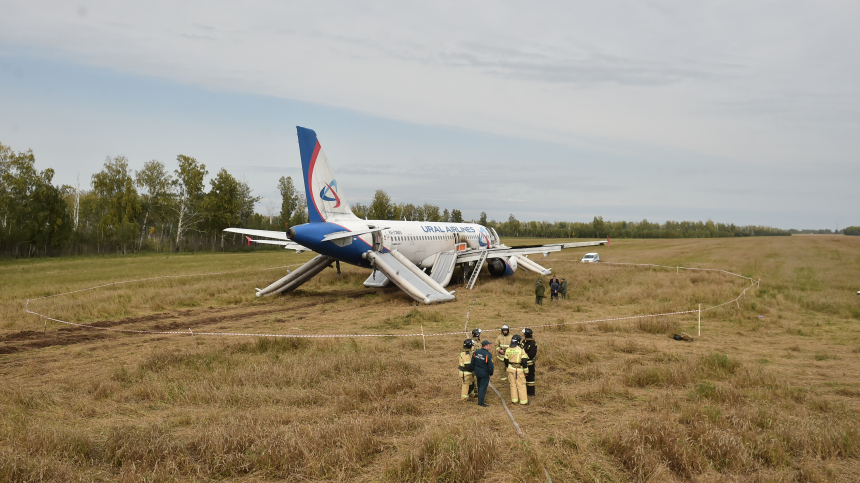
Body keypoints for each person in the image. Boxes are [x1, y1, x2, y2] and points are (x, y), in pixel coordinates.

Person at [504, 334, 530, 405]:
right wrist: (526, 371)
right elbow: (524, 361)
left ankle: (514, 400)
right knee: (521, 385)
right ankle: (523, 401)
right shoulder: (520, 350)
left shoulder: (508, 349)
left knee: (513, 385)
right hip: (518, 370)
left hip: (510, 369)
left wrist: (509, 367)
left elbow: (505, 361)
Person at [472, 340, 494, 407]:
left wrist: (475, 370)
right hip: (484, 374)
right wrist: (490, 373)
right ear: (486, 346)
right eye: (489, 345)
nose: (490, 347)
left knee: (479, 385)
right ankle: (480, 402)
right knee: (483, 388)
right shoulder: (488, 355)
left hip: (477, 372)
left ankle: (479, 397)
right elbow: (490, 366)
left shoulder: (476, 352)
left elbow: (472, 363)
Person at [521, 328, 538, 397]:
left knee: (530, 378)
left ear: (526, 335)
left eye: (523, 335)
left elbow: (532, 354)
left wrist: (523, 357)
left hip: (530, 364)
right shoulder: (524, 342)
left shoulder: (532, 343)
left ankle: (531, 392)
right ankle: (525, 390)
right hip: (524, 364)